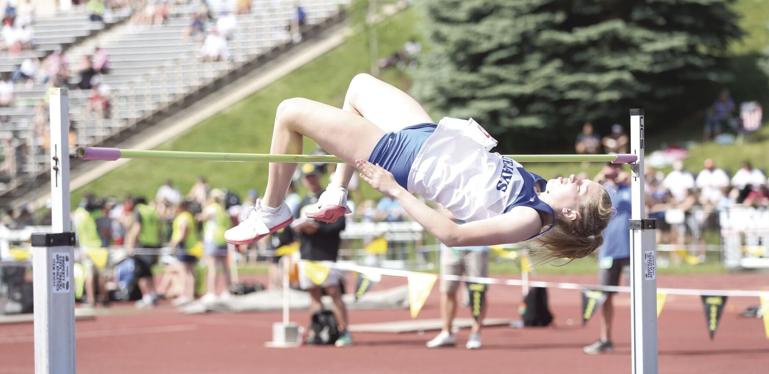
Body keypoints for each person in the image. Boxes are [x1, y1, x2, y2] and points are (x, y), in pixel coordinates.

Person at [224, 74, 612, 261]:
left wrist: (395, 189)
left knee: (289, 111)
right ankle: (336, 190)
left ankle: (272, 209)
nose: (575, 178)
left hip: (403, 158)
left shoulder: (529, 218)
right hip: (426, 133)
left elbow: (452, 235)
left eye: (581, 187)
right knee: (358, 86)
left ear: (572, 211)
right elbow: (479, 179)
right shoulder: (538, 188)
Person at [292, 162, 352, 347]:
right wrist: (301, 229)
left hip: (326, 254)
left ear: (319, 177)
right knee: (314, 295)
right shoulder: (301, 202)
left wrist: (317, 229)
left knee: (334, 293)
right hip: (307, 255)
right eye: (307, 177)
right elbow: (291, 228)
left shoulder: (329, 198)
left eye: (313, 176)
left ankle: (344, 331)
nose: (310, 180)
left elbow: (339, 225)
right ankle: (316, 330)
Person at [583, 163, 631, 355]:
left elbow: (650, 202)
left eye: (618, 166)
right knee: (605, 297)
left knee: (641, 295)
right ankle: (605, 339)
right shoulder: (602, 189)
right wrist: (600, 177)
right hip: (609, 251)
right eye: (610, 166)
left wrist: (634, 180)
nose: (614, 170)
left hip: (633, 251)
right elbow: (585, 197)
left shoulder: (632, 187)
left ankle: (643, 337)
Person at [425, 227, 489, 350]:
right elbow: (443, 213)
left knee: (478, 291)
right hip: (451, 247)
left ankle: (476, 333)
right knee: (448, 290)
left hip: (477, 246)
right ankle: (446, 332)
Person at [126, 196, 161, 308]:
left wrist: (130, 245)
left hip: (142, 244)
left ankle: (146, 296)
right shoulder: (152, 211)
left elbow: (137, 227)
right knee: (148, 271)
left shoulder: (139, 210)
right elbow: (158, 228)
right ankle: (153, 294)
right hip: (153, 244)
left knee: (141, 272)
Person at [200, 189, 232, 302]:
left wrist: (203, 202)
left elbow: (202, 217)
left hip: (212, 239)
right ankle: (227, 291)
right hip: (223, 239)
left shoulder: (212, 208)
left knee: (212, 267)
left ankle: (212, 292)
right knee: (225, 267)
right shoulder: (223, 210)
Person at [168, 201, 198, 306]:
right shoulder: (189, 216)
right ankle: (189, 295)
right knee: (190, 272)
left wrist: (174, 244)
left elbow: (183, 232)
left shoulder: (183, 217)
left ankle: (185, 295)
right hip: (191, 246)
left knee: (184, 272)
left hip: (185, 246)